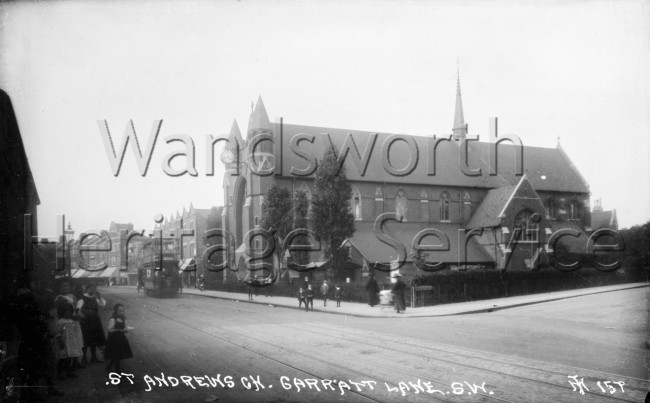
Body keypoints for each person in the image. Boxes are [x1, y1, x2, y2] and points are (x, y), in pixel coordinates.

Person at [76, 284, 106, 364]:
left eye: (94, 289)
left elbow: (103, 304)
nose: (92, 291)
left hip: (95, 321)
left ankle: (94, 357)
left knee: (94, 340)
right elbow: (77, 310)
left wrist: (100, 297)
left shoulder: (95, 298)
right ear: (87, 289)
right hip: (86, 322)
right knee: (85, 340)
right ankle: (84, 358)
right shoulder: (82, 298)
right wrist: (83, 317)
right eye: (91, 289)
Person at [55, 303, 82, 380]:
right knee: (62, 358)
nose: (68, 313)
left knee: (69, 358)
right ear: (61, 312)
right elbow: (58, 332)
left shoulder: (71, 320)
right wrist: (60, 340)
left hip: (71, 342)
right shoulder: (60, 322)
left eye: (69, 312)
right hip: (63, 342)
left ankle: (69, 372)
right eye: (65, 312)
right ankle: (59, 374)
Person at [105, 304, 133, 373]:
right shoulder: (113, 319)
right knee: (117, 355)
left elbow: (125, 328)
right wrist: (119, 330)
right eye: (120, 311)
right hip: (114, 339)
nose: (122, 312)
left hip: (121, 339)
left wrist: (126, 330)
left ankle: (109, 366)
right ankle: (117, 371)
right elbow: (109, 330)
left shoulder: (124, 319)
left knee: (118, 355)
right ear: (116, 311)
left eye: (123, 311)